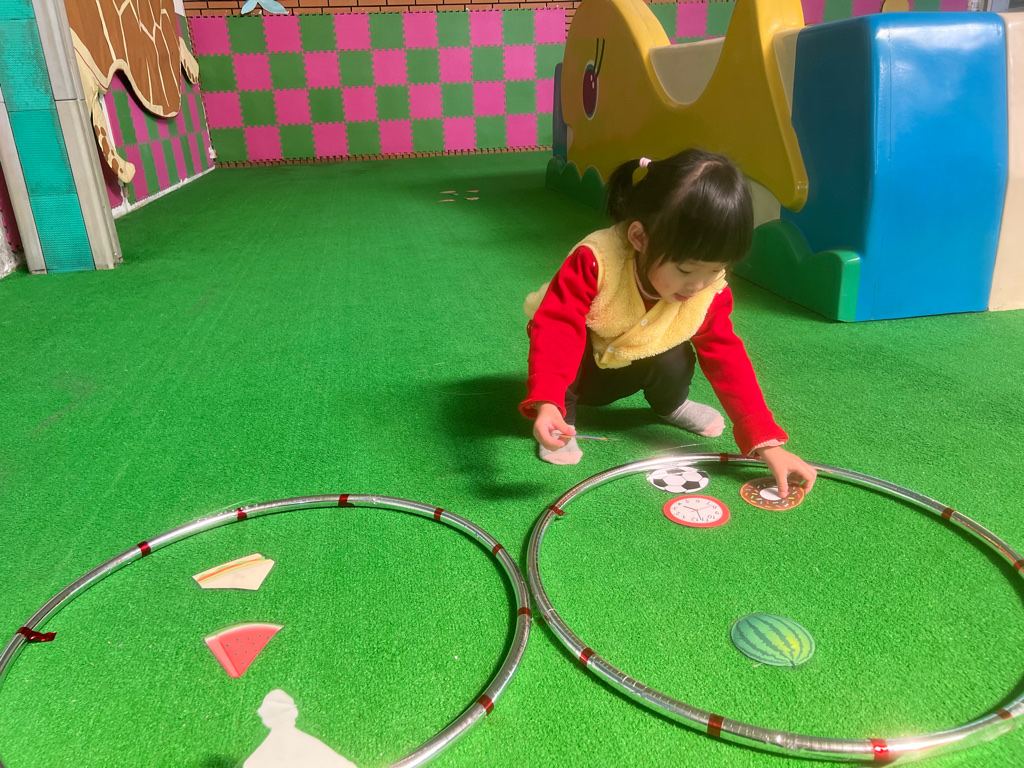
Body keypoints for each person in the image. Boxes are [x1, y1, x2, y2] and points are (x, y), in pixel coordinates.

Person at [520, 149, 816, 496]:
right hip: (585, 374)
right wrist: (549, 402)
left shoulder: (709, 290)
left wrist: (766, 442)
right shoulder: (596, 260)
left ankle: (670, 404)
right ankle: (563, 418)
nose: (698, 285)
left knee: (676, 351)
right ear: (639, 238)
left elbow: (726, 355)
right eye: (686, 269)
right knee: (571, 343)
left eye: (716, 269)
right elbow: (557, 329)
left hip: (633, 362)